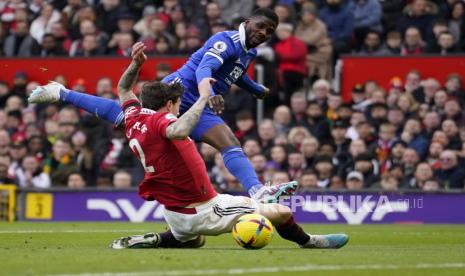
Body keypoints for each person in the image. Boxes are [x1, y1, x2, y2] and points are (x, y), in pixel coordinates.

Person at [28, 8, 297, 203]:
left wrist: (255, 89)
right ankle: (61, 93)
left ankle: (257, 191)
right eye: (260, 26)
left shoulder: (247, 51)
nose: (263, 33)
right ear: (248, 21)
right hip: (172, 94)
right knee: (124, 116)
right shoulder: (224, 40)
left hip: (198, 104)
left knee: (229, 142)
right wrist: (208, 93)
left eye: (269, 32)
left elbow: (235, 73)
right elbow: (206, 67)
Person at [104, 42, 348, 249]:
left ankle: (161, 238)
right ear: (169, 104)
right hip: (204, 208)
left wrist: (135, 65)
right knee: (281, 213)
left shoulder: (134, 117)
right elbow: (178, 130)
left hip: (174, 212)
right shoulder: (163, 120)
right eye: (178, 104)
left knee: (195, 241)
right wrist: (202, 99)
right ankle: (311, 242)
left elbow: (124, 89)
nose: (180, 108)